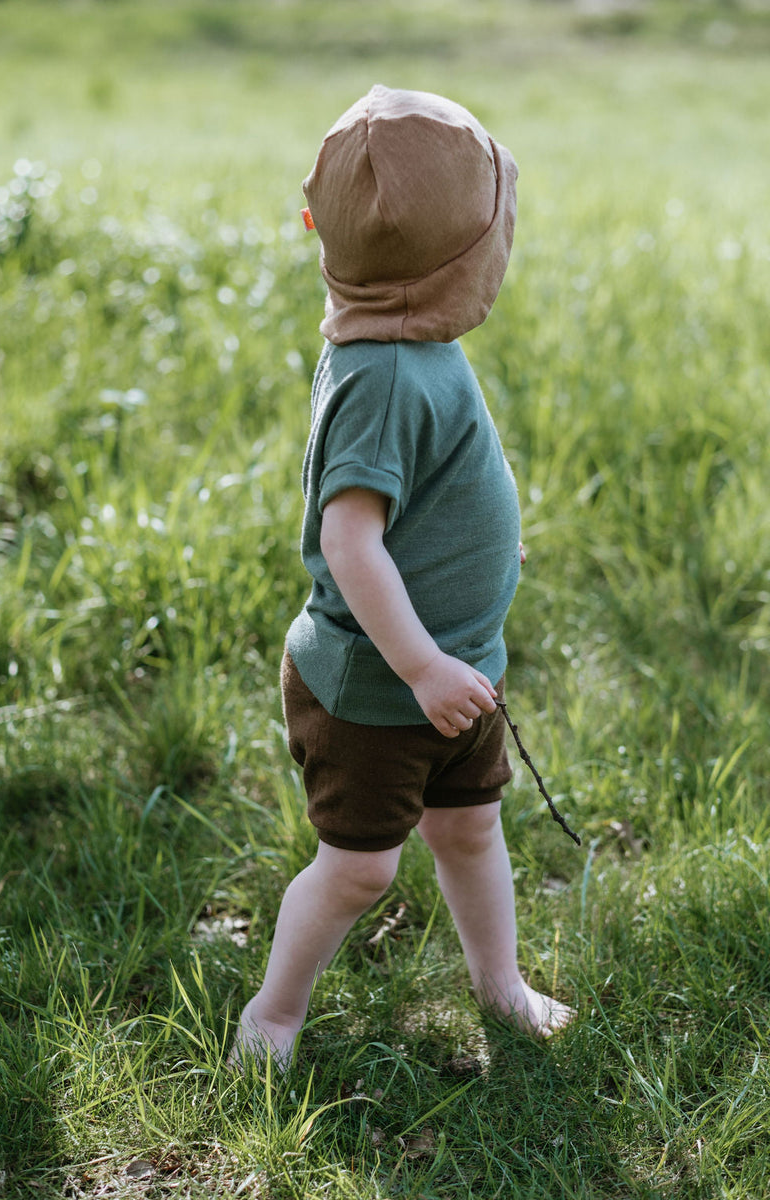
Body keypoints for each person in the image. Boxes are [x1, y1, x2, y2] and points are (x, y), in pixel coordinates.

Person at [233, 84, 574, 1068]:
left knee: (470, 833)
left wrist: (479, 548)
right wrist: (422, 666)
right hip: (382, 692)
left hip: (454, 673)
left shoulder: (410, 338)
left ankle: (497, 985)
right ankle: (274, 1014)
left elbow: (429, 490)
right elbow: (350, 542)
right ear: (459, 257)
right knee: (359, 869)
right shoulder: (381, 375)